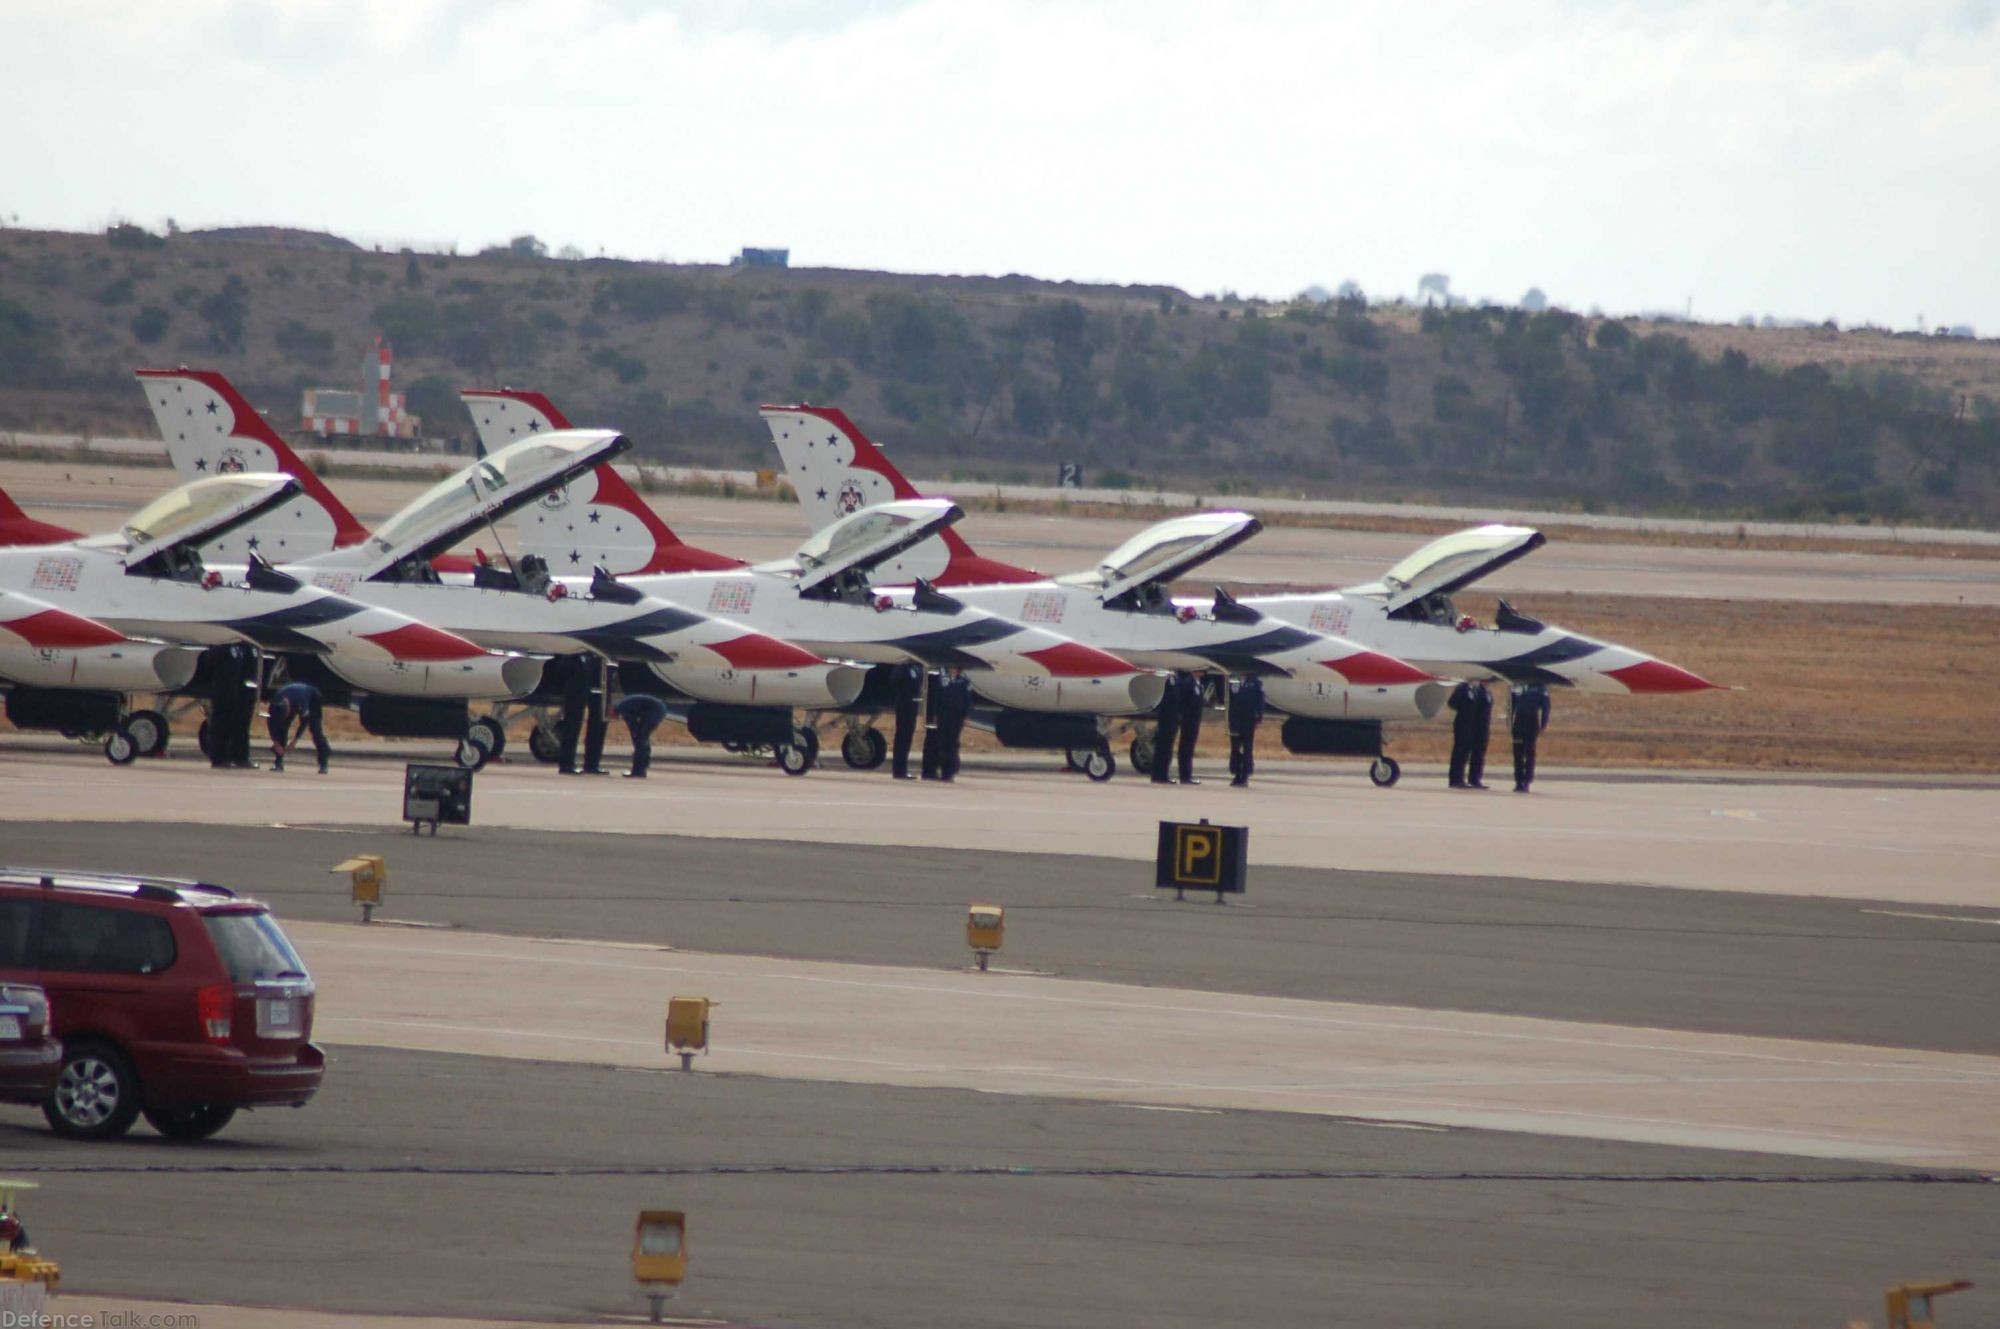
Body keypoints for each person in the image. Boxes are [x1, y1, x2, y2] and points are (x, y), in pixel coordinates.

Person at [267, 680, 330, 773]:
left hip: (313, 698)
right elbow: (271, 723)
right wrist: (276, 743)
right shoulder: (275, 703)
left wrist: (295, 740)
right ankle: (278, 762)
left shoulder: (301, 703)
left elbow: (304, 722)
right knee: (282, 728)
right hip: (291, 695)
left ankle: (323, 763)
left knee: (315, 730)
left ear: (289, 709)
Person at [615, 691, 670, 779]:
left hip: (655, 711)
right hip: (657, 708)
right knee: (642, 738)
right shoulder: (623, 705)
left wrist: (635, 737)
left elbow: (632, 724)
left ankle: (638, 770)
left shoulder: (622, 708)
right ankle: (641, 767)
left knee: (641, 738)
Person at [1509, 682, 1552, 792]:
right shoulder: (1517, 686)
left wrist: (1543, 725)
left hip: (1532, 724)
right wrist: (1509, 724)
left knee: (1529, 753)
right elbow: (1510, 706)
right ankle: (1518, 781)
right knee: (1517, 754)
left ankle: (1527, 781)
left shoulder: (1541, 689)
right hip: (1518, 724)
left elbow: (1546, 708)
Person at [1227, 674, 1265, 787]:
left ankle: (1245, 775)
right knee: (1235, 749)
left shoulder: (1256, 682)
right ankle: (1236, 774)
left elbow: (1260, 700)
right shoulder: (1233, 680)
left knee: (1247, 748)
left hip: (1248, 720)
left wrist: (1259, 717)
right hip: (1235, 720)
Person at [889, 659, 923, 780]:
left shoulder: (918, 667)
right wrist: (903, 694)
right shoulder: (903, 667)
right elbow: (894, 681)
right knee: (902, 737)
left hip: (913, 704)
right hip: (904, 704)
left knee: (908, 736)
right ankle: (898, 770)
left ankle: (903, 769)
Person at [937, 666, 972, 782]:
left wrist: (965, 716)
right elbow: (938, 697)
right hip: (943, 714)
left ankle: (951, 770)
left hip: (957, 716)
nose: (952, 670)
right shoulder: (943, 681)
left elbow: (967, 700)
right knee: (943, 742)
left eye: (954, 668)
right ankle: (943, 770)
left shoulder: (964, 682)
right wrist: (936, 713)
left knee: (952, 742)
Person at [1446, 679, 1482, 788]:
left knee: (1465, 752)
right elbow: (1452, 703)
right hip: (1462, 723)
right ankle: (1455, 779)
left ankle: (1460, 778)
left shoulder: (1474, 690)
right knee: (1459, 752)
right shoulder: (1462, 688)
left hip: (1470, 725)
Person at [1150, 673, 1183, 784]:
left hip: (1172, 718)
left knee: (1167, 748)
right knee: (1163, 748)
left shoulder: (1176, 678)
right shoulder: (1166, 678)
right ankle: (1159, 775)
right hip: (1166, 718)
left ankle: (1162, 774)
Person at [1175, 671, 1206, 785]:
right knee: (1185, 748)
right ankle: (1185, 776)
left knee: (1189, 748)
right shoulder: (1188, 684)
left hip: (1194, 720)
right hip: (1188, 720)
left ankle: (1187, 775)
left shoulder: (1198, 684)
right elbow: (1183, 702)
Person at [920, 668, 945, 780]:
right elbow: (934, 695)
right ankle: (928, 770)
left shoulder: (943, 671)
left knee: (939, 743)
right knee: (932, 743)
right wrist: (934, 713)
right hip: (934, 714)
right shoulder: (935, 672)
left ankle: (933, 769)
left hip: (940, 713)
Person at [1468, 679, 1494, 789]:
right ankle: (1473, 778)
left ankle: (1477, 777)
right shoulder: (1478, 692)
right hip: (1477, 726)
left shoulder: (1488, 693)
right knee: (1476, 753)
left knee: (1480, 754)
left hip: (1485, 726)